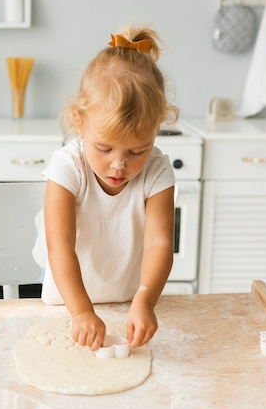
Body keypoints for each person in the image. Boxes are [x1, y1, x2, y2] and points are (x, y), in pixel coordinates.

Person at [33, 26, 179, 353]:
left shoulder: (157, 171)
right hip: (66, 309)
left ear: (156, 130)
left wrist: (145, 300)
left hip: (130, 306)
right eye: (104, 148)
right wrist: (82, 311)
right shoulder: (67, 167)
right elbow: (60, 246)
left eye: (137, 151)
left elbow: (160, 243)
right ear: (78, 121)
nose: (119, 165)